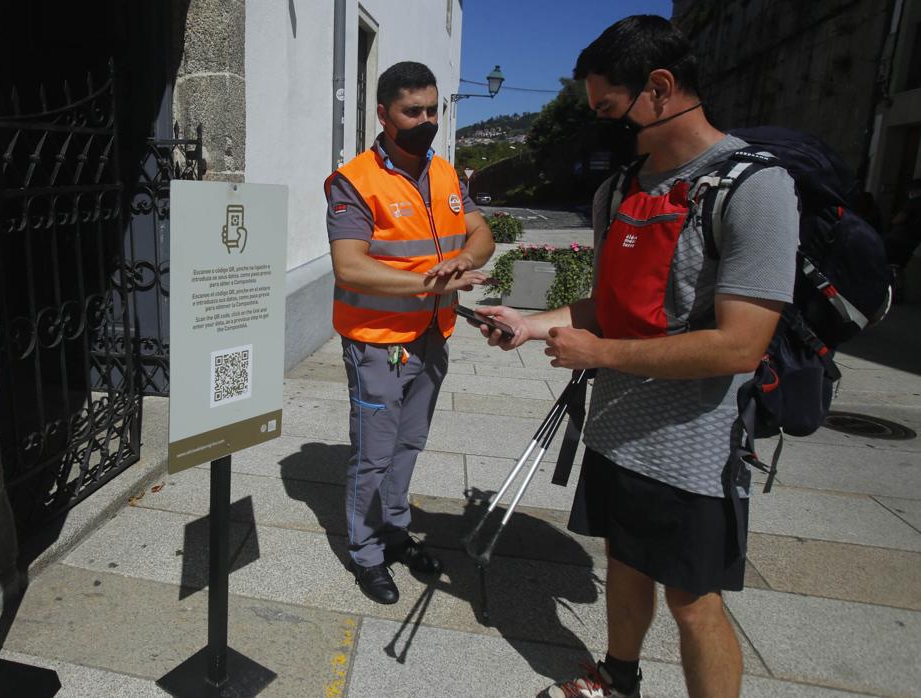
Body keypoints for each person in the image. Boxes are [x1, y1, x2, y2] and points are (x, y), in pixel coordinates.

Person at [474, 16, 798, 697]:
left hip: (694, 445)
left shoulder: (752, 188)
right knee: (623, 562)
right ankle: (615, 678)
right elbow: (609, 307)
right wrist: (533, 326)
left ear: (660, 87)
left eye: (609, 109)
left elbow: (742, 343)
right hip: (617, 430)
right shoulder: (618, 190)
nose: (602, 124)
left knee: (692, 600)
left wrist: (600, 352)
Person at [326, 60, 495, 605]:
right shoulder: (354, 181)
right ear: (383, 113)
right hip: (378, 342)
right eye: (411, 111)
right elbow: (350, 267)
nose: (425, 120)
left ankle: (395, 532)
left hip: (431, 335)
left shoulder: (445, 173)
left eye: (432, 109)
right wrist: (430, 280)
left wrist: (465, 257)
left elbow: (482, 233)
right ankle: (366, 552)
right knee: (373, 454)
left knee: (408, 444)